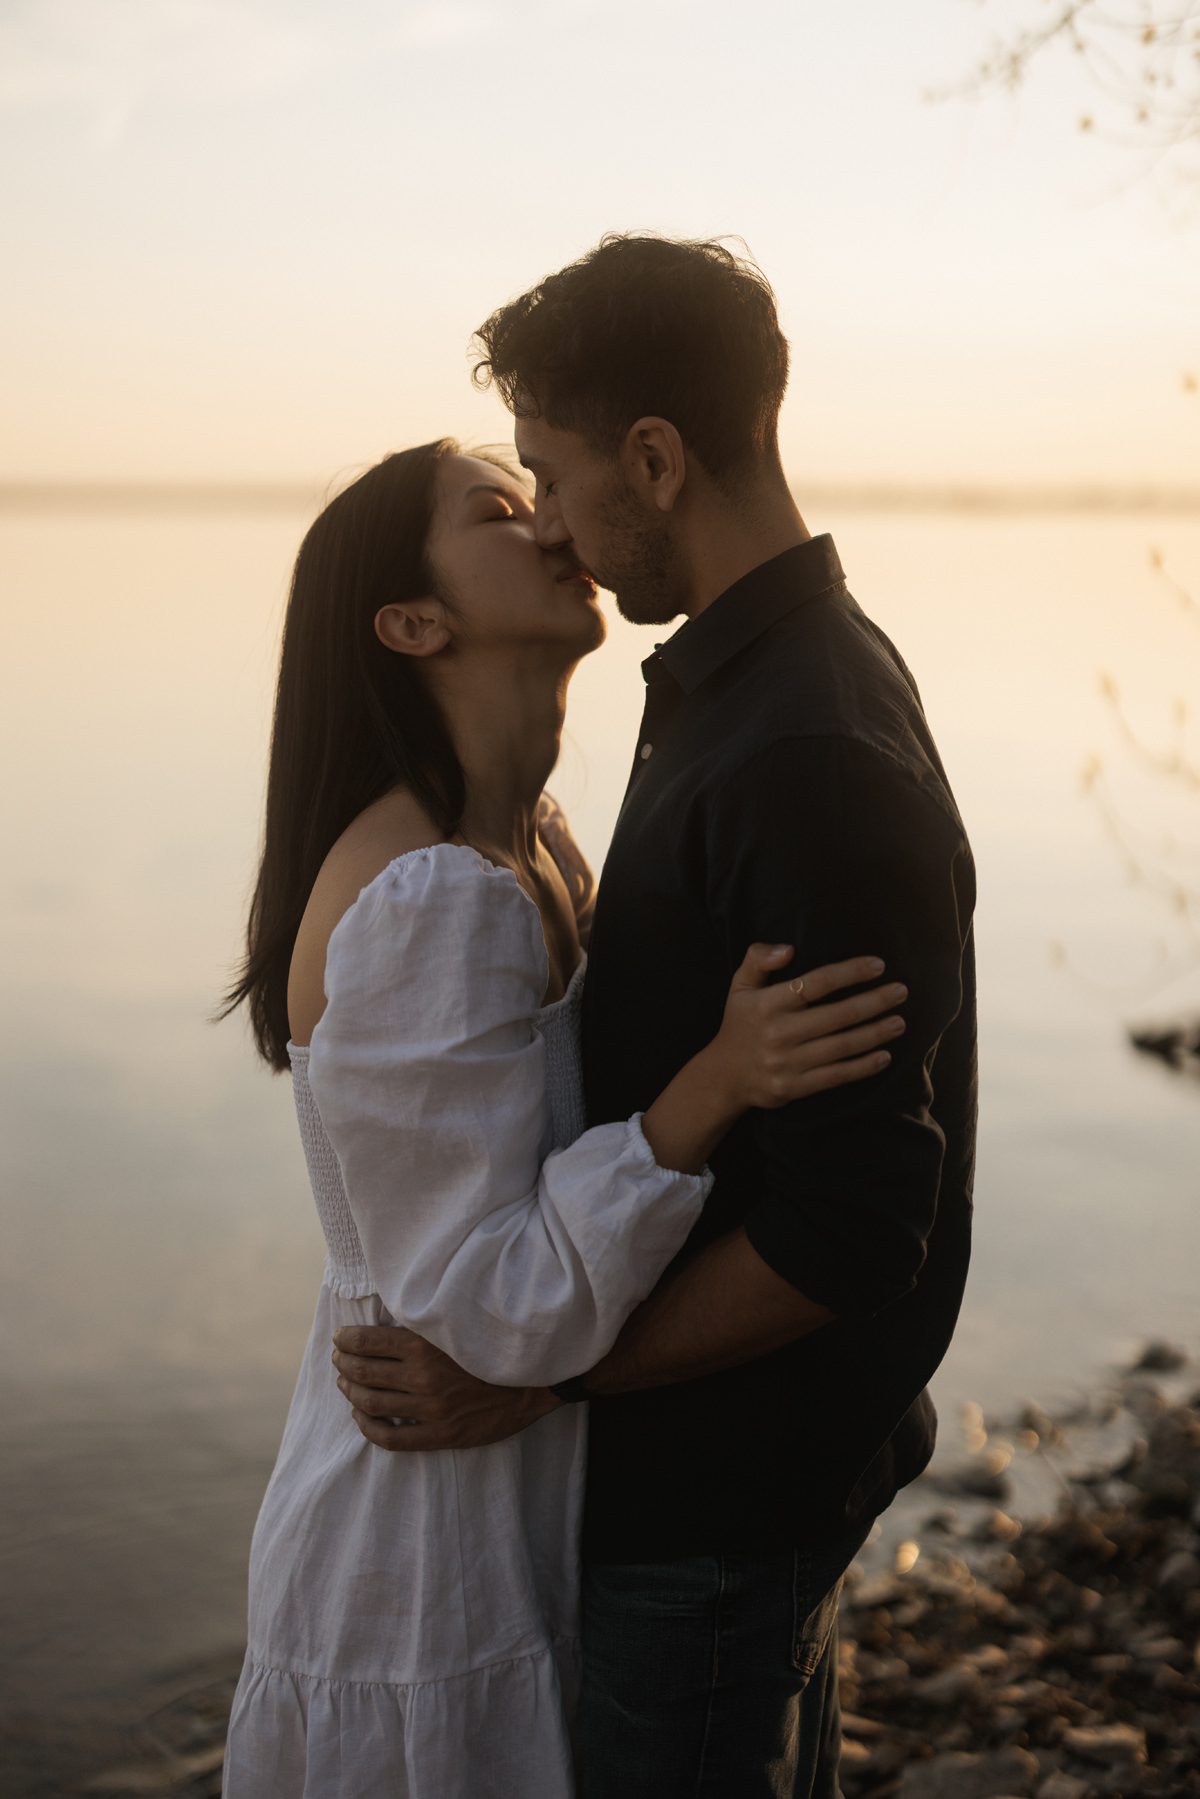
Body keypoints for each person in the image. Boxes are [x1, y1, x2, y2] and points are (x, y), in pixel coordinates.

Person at [331, 234, 978, 1799]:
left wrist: (546, 1378)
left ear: (655, 458)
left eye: (549, 471)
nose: (550, 519)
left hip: (717, 1517)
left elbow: (853, 1228)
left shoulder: (797, 745)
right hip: (738, 1496)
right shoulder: (750, 685)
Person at [217, 436, 908, 1797]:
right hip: (422, 1532)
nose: (547, 527)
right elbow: (485, 1308)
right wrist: (717, 1084)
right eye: (496, 510)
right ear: (414, 623)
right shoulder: (431, 897)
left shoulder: (524, 842)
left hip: (491, 1479)